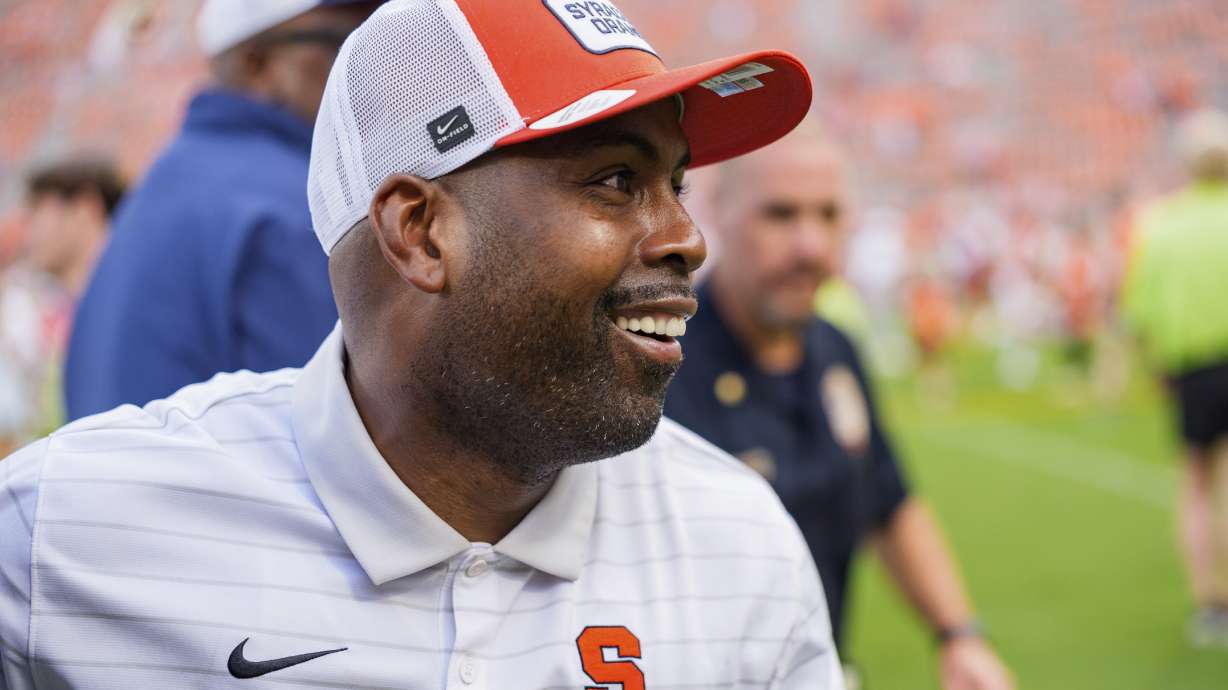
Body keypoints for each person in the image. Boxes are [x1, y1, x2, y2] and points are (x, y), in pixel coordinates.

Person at [0, 1, 840, 687]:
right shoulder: (59, 536)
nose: (688, 237)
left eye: (677, 185)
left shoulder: (744, 547)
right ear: (420, 231)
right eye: (617, 180)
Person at [665, 125, 1015, 690]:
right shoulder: (660, 361)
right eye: (780, 214)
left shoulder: (835, 349)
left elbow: (890, 501)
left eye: (828, 216)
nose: (811, 246)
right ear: (718, 211)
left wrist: (958, 636)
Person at [62, 0, 382, 421]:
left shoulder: (171, 179)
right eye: (341, 42)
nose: (371, 68)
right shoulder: (291, 200)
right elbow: (349, 432)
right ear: (257, 64)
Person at [1122, 107, 1228, 648]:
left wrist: (1156, 362)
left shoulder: (1163, 226)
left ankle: (1211, 602)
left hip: (1193, 370)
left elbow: (1139, 312)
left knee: (1197, 483)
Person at [0, 157, 125, 454]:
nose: (27, 231)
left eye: (38, 210)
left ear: (85, 208)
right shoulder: (65, 312)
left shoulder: (123, 314)